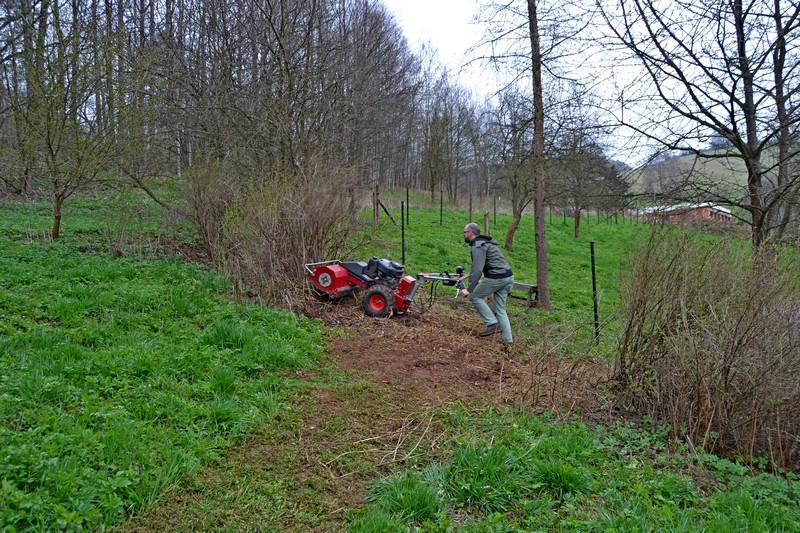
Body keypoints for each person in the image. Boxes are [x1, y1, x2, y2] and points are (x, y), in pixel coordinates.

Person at [460, 222, 514, 344]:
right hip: (508, 277)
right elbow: (493, 264)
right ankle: (507, 341)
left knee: (475, 296)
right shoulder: (488, 243)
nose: (464, 235)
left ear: (470, 233)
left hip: (497, 278)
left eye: (464, 232)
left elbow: (477, 269)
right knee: (500, 309)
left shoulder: (478, 246)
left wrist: (469, 289)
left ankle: (492, 324)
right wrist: (483, 280)